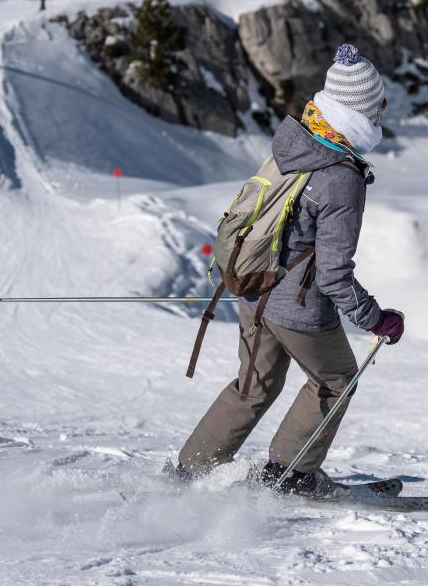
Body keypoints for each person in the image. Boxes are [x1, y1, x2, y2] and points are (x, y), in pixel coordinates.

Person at [173, 43, 404, 496]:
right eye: (377, 106)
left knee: (252, 386)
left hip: (253, 289)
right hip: (299, 308)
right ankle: (292, 475)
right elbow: (334, 274)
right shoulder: (341, 176)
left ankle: (189, 473)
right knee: (336, 379)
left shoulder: (294, 140)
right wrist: (376, 319)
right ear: (359, 111)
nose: (381, 115)